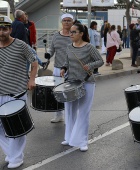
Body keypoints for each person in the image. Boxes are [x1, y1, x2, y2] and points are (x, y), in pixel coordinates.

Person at [0, 15, 38, 169]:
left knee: (17, 127)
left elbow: (34, 62)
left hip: (16, 92)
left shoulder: (21, 45)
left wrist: (32, 79)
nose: (1, 32)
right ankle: (11, 152)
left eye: (4, 29)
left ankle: (16, 157)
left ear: (10, 30)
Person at [60, 23, 104, 151]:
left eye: (74, 32)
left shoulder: (89, 47)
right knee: (70, 111)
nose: (71, 34)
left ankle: (82, 141)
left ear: (81, 34)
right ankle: (69, 138)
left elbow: (100, 61)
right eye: (70, 32)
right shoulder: (69, 47)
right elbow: (66, 62)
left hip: (87, 82)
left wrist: (90, 66)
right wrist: (63, 68)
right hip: (71, 82)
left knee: (83, 112)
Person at [45, 13, 73, 123]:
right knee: (58, 93)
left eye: (69, 20)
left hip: (71, 69)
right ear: (61, 22)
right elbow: (52, 49)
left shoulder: (74, 35)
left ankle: (69, 117)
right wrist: (48, 54)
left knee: (69, 93)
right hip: (57, 68)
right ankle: (58, 115)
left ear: (72, 22)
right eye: (64, 20)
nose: (66, 22)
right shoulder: (56, 35)